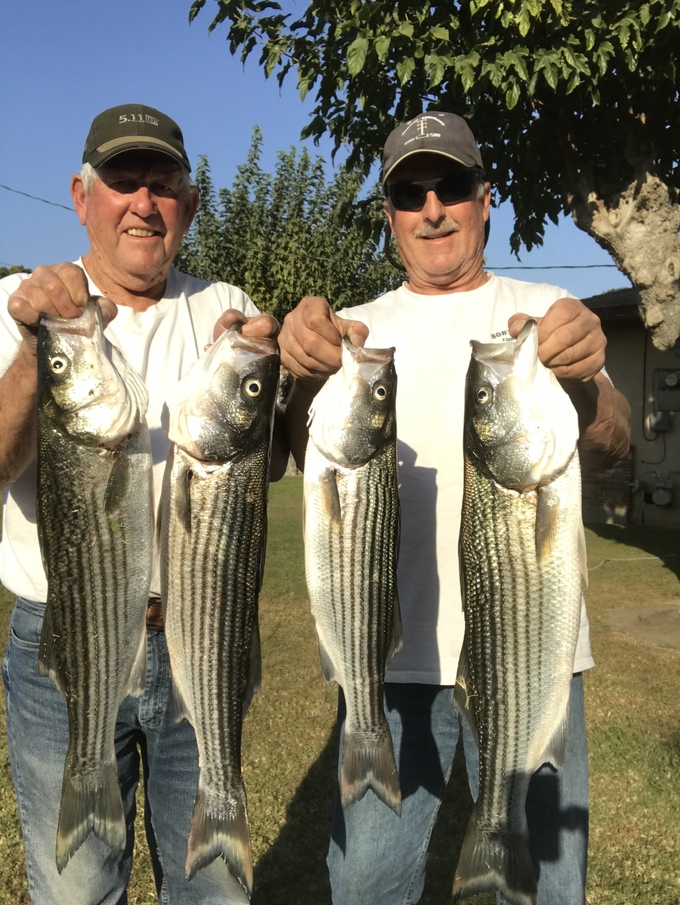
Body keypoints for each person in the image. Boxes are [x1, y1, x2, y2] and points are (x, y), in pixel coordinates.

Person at [278, 111, 631, 905]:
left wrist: (579, 379)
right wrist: (302, 369)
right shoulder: (360, 329)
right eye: (410, 191)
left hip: (533, 653)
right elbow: (311, 457)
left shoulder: (546, 311)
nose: (433, 206)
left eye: (453, 185)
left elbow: (615, 446)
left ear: (486, 196)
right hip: (391, 661)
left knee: (546, 885)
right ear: (391, 213)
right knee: (370, 883)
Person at [0, 103, 285, 905]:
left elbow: (260, 466)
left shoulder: (219, 303)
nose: (143, 202)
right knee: (74, 889)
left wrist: (264, 362)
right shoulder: (24, 302)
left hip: (200, 629)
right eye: (123, 180)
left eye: (163, 184)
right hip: (69, 633)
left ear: (189, 207)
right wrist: (38, 350)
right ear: (81, 195)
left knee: (213, 891)